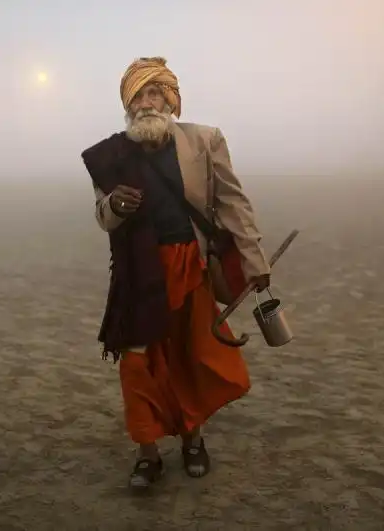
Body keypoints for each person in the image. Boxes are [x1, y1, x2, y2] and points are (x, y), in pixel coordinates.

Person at [81, 57, 270, 492]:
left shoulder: (205, 141)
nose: (146, 103)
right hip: (137, 273)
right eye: (138, 96)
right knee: (137, 363)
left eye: (154, 94)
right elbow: (101, 216)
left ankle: (193, 441)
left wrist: (255, 263)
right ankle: (147, 455)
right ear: (128, 105)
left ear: (171, 101)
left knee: (189, 356)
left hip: (191, 266)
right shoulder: (109, 155)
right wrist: (115, 207)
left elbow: (233, 204)